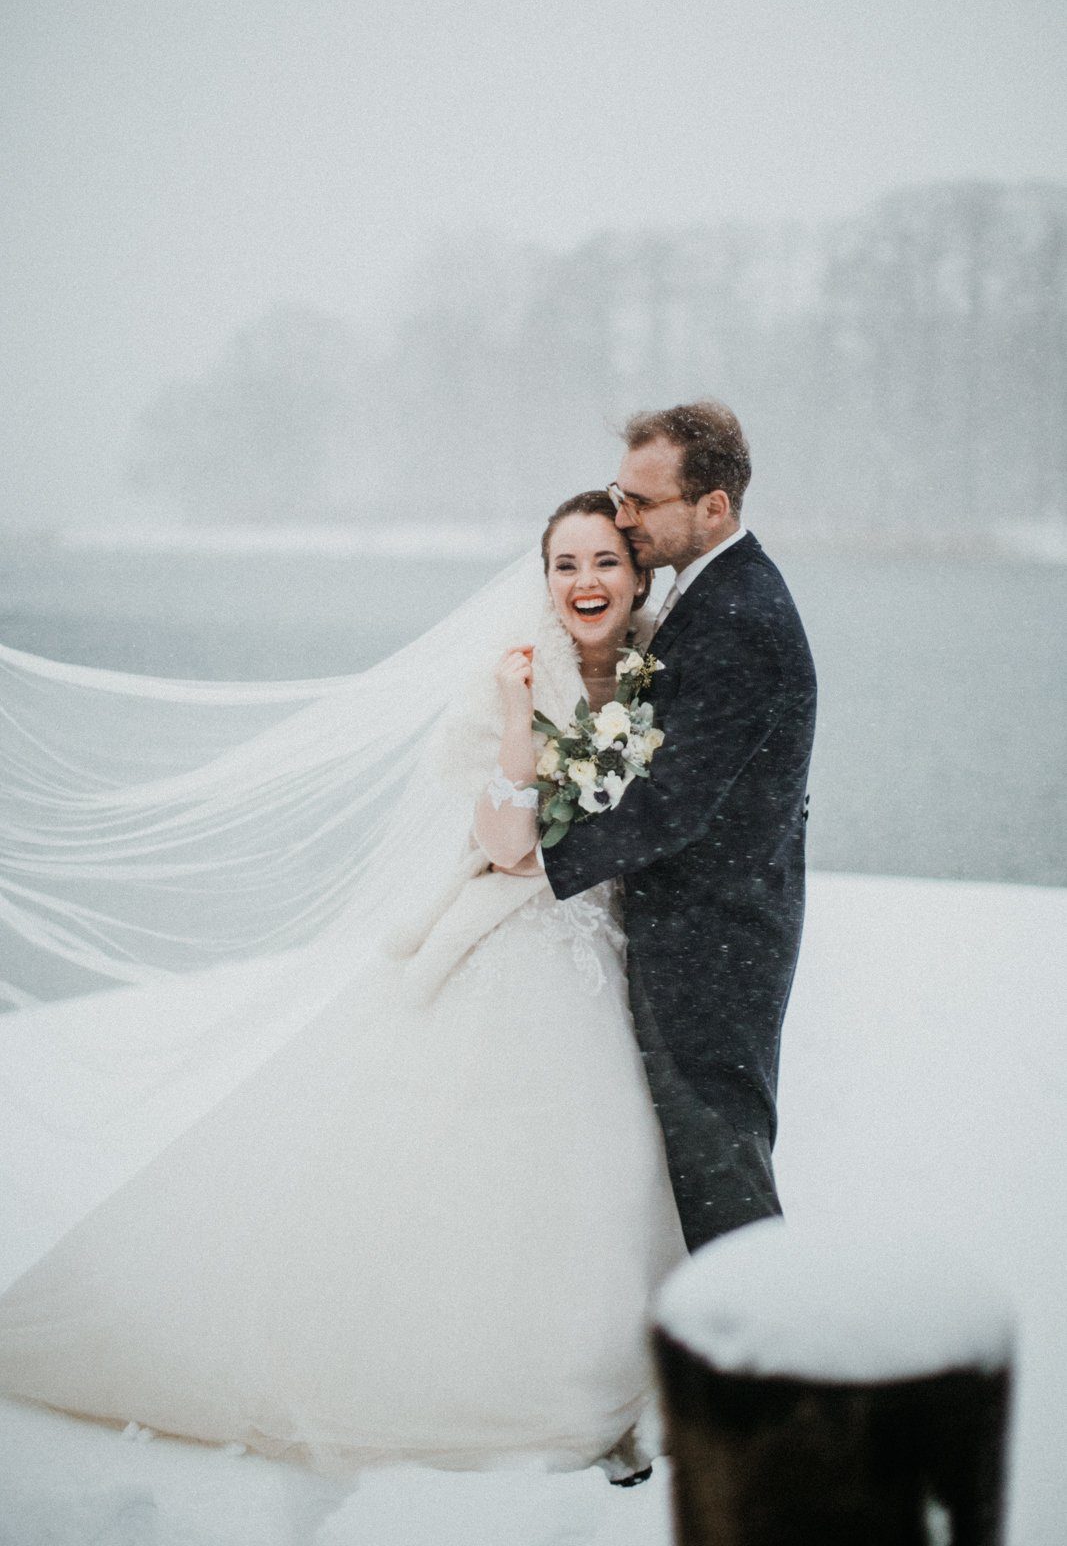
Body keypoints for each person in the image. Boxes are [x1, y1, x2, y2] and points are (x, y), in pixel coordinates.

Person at [0, 495, 685, 1481]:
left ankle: (606, 1362)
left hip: (610, 953)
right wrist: (510, 716)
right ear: (542, 579)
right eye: (564, 563)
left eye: (604, 563)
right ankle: (477, 1382)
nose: (584, 581)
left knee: (608, 1167)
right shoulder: (513, 678)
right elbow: (502, 844)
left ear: (635, 576)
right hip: (517, 948)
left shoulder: (657, 674)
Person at [542, 402, 817, 1254]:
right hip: (704, 930)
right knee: (704, 1169)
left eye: (639, 504)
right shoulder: (709, 599)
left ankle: (764, 1365)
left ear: (713, 509)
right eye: (619, 497)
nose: (622, 519)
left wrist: (535, 863)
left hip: (713, 945)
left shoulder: (739, 617)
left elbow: (674, 805)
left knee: (722, 1175)